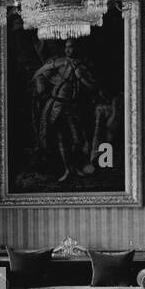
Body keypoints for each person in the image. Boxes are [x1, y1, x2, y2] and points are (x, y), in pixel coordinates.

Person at [29, 39, 97, 184]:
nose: (68, 50)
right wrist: (40, 86)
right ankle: (67, 169)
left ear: (76, 49)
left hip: (71, 107)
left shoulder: (81, 66)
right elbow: (40, 73)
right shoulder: (58, 62)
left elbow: (91, 86)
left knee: (77, 140)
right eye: (66, 47)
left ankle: (76, 167)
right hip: (55, 105)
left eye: (71, 47)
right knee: (61, 139)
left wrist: (80, 77)